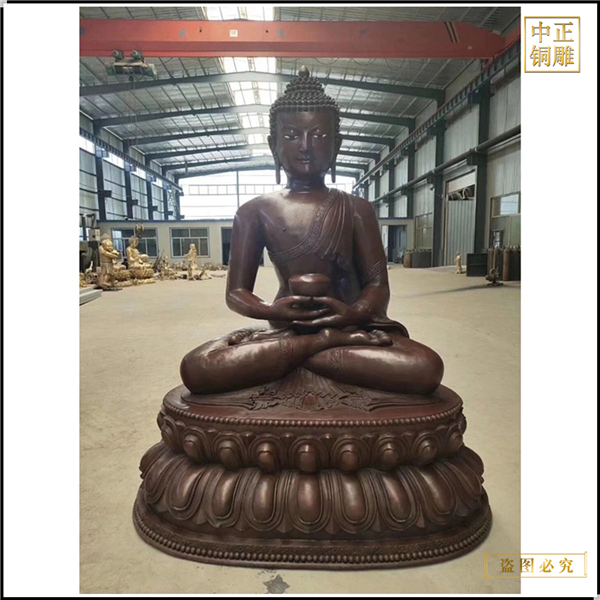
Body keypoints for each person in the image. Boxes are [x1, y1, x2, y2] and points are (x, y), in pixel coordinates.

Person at [180, 67, 443, 396]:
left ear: (337, 145)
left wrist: (353, 313)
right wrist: (270, 310)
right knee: (197, 368)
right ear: (274, 145)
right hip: (287, 328)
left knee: (425, 367)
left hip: (345, 326)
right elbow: (236, 292)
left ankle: (296, 355)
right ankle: (321, 346)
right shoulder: (253, 211)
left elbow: (377, 286)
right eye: (292, 136)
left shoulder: (357, 208)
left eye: (318, 136)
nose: (305, 146)